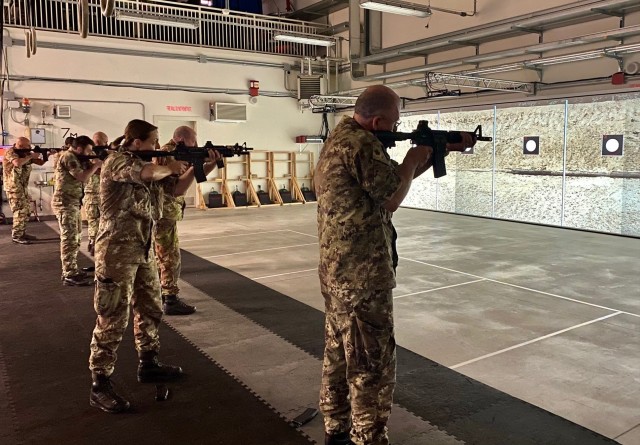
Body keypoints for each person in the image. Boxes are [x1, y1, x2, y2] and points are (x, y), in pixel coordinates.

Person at [315, 85, 475, 445]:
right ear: (379, 121)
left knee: (341, 350)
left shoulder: (344, 136)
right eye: (395, 122)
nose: (397, 127)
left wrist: (434, 152)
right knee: (372, 360)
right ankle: (368, 436)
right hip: (362, 273)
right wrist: (414, 158)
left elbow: (388, 184)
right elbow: (390, 198)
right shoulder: (362, 145)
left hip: (340, 270)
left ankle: (337, 426)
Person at [88, 119, 216, 414]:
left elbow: (175, 191)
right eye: (153, 142)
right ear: (135, 143)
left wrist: (206, 165)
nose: (157, 147)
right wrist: (169, 164)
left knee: (151, 307)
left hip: (143, 248)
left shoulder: (154, 162)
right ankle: (100, 382)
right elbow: (146, 173)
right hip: (116, 253)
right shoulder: (117, 162)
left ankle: (149, 363)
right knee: (112, 318)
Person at [153, 126, 219, 315]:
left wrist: (212, 162)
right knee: (169, 256)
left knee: (163, 255)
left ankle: (162, 293)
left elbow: (195, 177)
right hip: (163, 212)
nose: (196, 145)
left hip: (165, 211)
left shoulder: (176, 153)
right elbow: (178, 189)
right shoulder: (169, 154)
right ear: (180, 139)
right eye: (193, 141)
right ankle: (170, 298)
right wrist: (195, 164)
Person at [51, 136, 102, 286]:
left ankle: (72, 269)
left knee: (76, 237)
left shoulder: (76, 157)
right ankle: (68, 273)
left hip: (72, 203)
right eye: (88, 150)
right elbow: (82, 177)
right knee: (69, 238)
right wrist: (95, 166)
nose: (89, 153)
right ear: (79, 148)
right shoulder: (68, 157)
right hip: (65, 203)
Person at [2, 136, 45, 244]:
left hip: (22, 188)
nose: (30, 148)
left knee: (26, 211)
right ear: (20, 146)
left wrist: (47, 154)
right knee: (20, 211)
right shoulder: (10, 152)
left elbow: (40, 162)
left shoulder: (25, 154)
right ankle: (17, 235)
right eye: (28, 146)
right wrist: (31, 155)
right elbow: (17, 163)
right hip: (13, 188)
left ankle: (22, 232)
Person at [83, 131, 109, 255]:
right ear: (98, 142)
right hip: (93, 193)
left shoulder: (103, 154)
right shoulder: (88, 154)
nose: (107, 144)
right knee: (94, 220)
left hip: (103, 194)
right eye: (105, 142)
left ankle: (98, 244)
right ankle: (94, 243)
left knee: (103, 221)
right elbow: (98, 170)